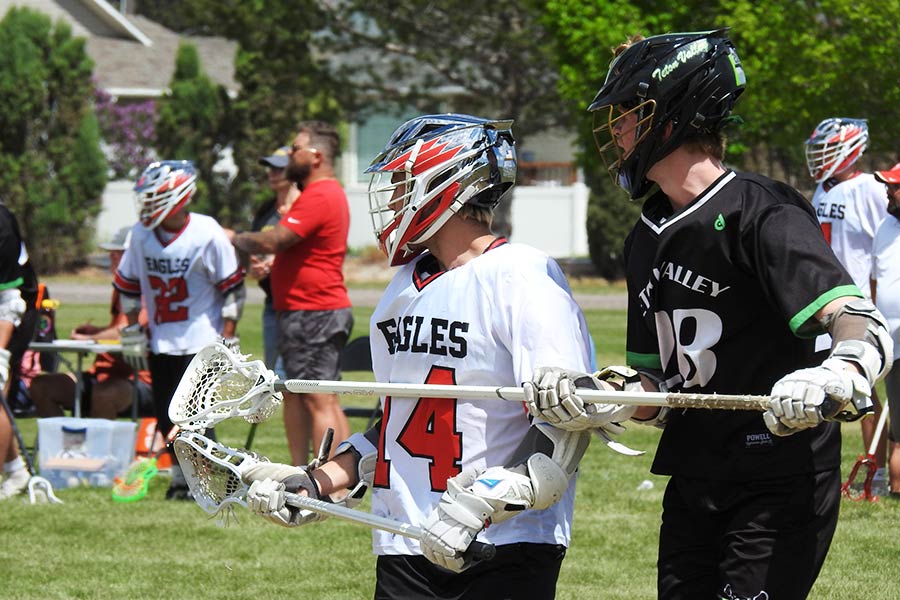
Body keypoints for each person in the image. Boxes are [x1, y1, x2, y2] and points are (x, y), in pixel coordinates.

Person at [526, 30, 893, 599]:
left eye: (628, 113)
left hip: (778, 474)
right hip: (696, 472)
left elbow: (855, 317)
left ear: (674, 114)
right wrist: (601, 395)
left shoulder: (762, 212)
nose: (617, 129)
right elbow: (657, 387)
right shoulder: (645, 235)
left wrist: (841, 370)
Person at [237, 114, 604, 599]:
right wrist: (320, 481)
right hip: (405, 540)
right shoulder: (402, 287)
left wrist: (481, 504)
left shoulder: (522, 276)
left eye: (401, 182)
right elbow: (399, 422)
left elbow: (565, 421)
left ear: (443, 184)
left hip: (501, 543)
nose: (391, 198)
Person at [114, 160, 245, 500]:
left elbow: (232, 287)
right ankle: (178, 478)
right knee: (163, 413)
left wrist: (228, 334)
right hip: (161, 339)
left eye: (154, 196)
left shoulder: (207, 232)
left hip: (200, 339)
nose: (148, 204)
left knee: (196, 417)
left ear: (178, 195)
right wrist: (131, 331)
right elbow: (127, 286)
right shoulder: (141, 235)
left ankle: (208, 480)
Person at [230, 122, 351, 466]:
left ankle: (329, 482)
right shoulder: (316, 193)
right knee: (299, 395)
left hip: (315, 312)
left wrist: (234, 237)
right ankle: (303, 473)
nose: (290, 154)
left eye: (296, 148)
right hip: (302, 312)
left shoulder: (321, 194)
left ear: (314, 155)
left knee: (318, 399)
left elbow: (277, 240)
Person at [806, 117, 890, 494]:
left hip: (862, 300)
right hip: (826, 300)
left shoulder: (871, 188)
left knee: (866, 390)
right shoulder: (821, 190)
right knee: (834, 385)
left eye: (827, 147)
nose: (821, 157)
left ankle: (878, 465)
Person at [30, 227, 152, 420]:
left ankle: (98, 450)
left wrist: (89, 337)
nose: (112, 257)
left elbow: (124, 331)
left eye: (120, 253)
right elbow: (117, 327)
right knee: (42, 386)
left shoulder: (146, 288)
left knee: (104, 394)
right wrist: (98, 331)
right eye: (111, 252)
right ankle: (65, 447)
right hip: (103, 375)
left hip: (138, 380)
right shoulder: (120, 288)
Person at [248, 146, 299, 377]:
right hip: (272, 302)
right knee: (273, 376)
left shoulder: (303, 207)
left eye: (279, 168)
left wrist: (275, 261)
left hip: (298, 303)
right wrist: (253, 265)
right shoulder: (266, 209)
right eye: (270, 168)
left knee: (298, 376)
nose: (272, 173)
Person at [0, 200, 37, 500]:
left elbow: (11, 300)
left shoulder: (1, 226)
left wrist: (0, 353)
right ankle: (15, 469)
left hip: (10, 313)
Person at [870, 163, 900, 498]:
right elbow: (876, 281)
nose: (888, 191)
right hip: (894, 344)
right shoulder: (885, 226)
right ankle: (894, 491)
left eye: (894, 187)